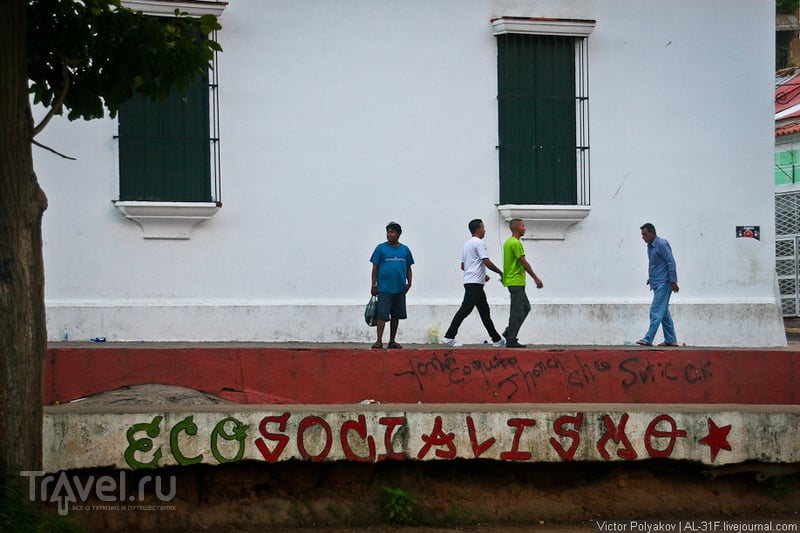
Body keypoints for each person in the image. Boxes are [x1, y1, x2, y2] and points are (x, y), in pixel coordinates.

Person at [442, 219, 505, 348]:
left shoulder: (467, 244)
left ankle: (497, 339)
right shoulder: (479, 243)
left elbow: (463, 265)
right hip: (474, 283)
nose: (485, 230)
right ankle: (449, 336)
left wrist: (482, 275)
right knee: (465, 309)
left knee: (484, 311)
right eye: (483, 227)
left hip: (472, 281)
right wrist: (500, 272)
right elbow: (486, 261)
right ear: (478, 229)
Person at [370, 222, 414, 349]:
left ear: (399, 234)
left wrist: (409, 282)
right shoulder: (380, 248)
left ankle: (392, 340)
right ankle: (379, 340)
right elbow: (375, 267)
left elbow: (408, 268)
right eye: (388, 232)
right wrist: (374, 284)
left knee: (396, 315)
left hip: (400, 288)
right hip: (384, 288)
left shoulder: (405, 250)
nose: (390, 234)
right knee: (382, 315)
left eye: (392, 232)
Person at [501, 219, 543, 348]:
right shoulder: (515, 243)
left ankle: (509, 332)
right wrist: (535, 277)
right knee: (517, 310)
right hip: (516, 281)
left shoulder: (508, 242)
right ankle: (511, 339)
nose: (524, 228)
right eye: (522, 226)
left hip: (512, 281)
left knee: (525, 308)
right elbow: (523, 262)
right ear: (516, 228)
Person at [636, 223, 679, 347]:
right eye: (642, 235)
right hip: (656, 282)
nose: (643, 237)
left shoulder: (661, 244)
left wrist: (673, 281)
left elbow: (670, 262)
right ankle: (671, 339)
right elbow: (656, 264)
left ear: (652, 232)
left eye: (645, 234)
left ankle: (648, 338)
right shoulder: (650, 246)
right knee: (664, 313)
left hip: (664, 283)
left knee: (655, 310)